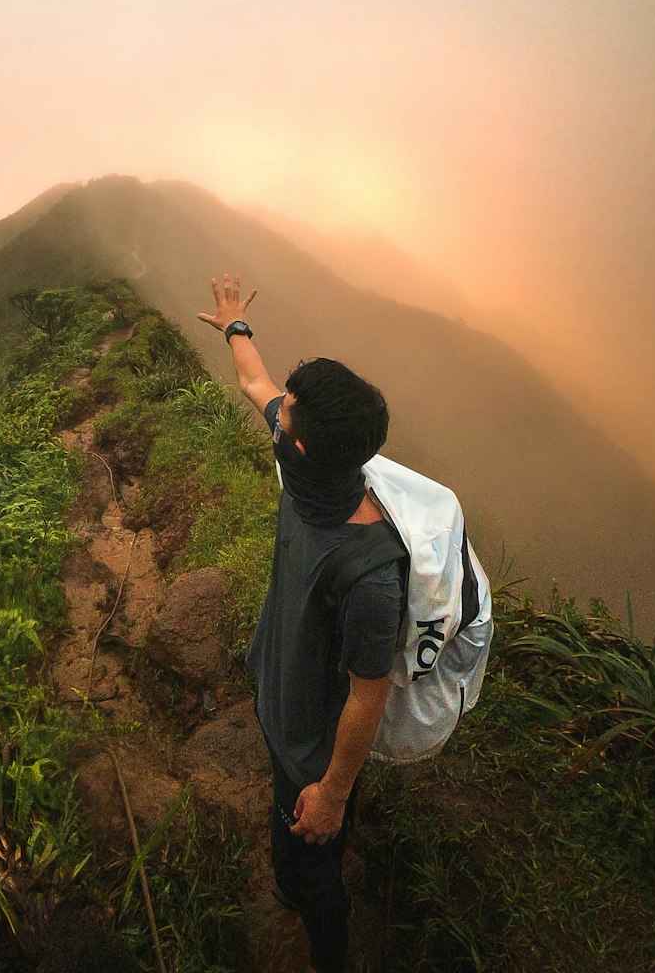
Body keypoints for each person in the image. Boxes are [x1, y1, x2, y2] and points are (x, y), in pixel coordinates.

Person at [198, 274, 404, 973]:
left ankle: (328, 949)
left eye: (292, 414)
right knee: (297, 849)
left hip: (315, 749)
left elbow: (369, 694)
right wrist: (235, 327)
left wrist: (332, 794)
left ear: (308, 445)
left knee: (315, 870)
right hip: (283, 698)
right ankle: (300, 871)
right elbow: (258, 385)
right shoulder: (304, 458)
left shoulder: (370, 572)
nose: (279, 413)